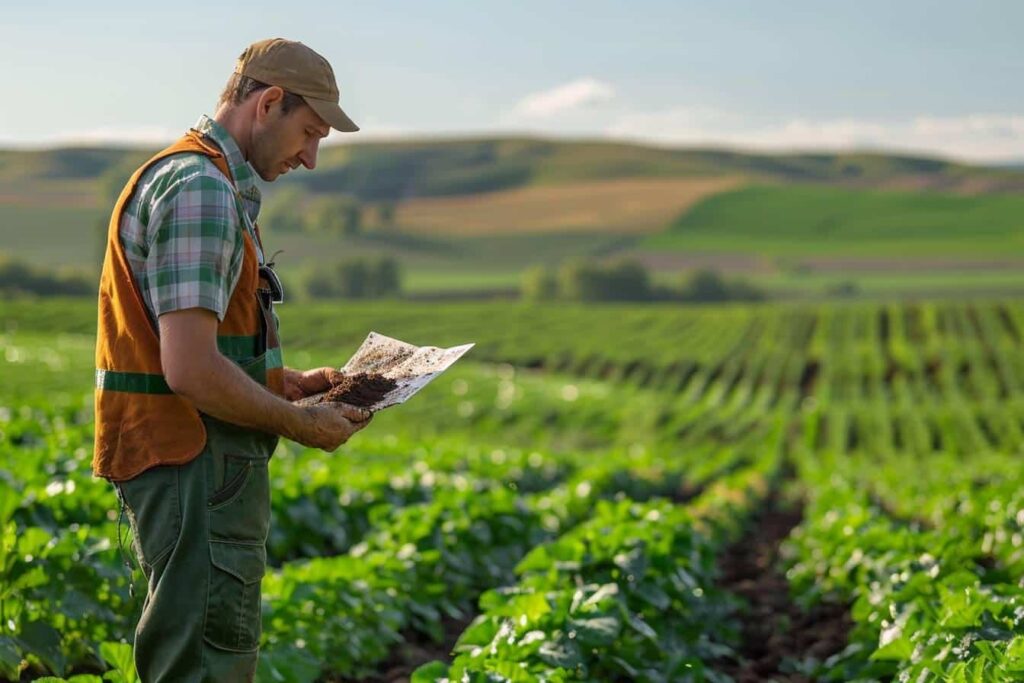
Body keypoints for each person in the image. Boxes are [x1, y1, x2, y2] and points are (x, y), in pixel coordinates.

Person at [92, 38, 370, 682]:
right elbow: (188, 369)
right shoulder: (202, 192)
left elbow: (200, 353)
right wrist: (298, 424)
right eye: (309, 131)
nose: (311, 156)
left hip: (192, 462)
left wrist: (288, 386)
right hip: (197, 464)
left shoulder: (197, 179)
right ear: (268, 102)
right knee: (203, 667)